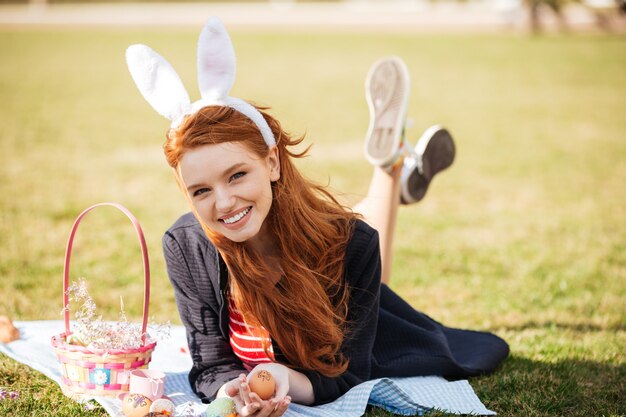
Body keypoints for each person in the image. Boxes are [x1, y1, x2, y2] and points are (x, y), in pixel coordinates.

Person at [126, 17, 508, 417]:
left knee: (350, 244)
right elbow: (210, 365)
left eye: (237, 175)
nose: (222, 203)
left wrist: (286, 381)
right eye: (200, 191)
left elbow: (348, 373)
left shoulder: (353, 245)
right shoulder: (185, 244)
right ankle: (395, 168)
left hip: (360, 306)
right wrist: (235, 391)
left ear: (272, 162)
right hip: (322, 252)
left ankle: (390, 168)